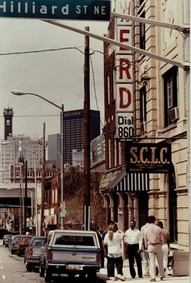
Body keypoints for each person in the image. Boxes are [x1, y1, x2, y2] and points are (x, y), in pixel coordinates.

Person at [144, 215, 164, 282]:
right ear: (154, 220)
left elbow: (145, 240)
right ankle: (161, 275)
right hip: (158, 245)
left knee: (152, 262)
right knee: (160, 261)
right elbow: (162, 239)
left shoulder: (146, 229)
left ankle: (153, 277)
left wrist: (147, 246)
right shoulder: (158, 228)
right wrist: (161, 243)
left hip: (151, 245)